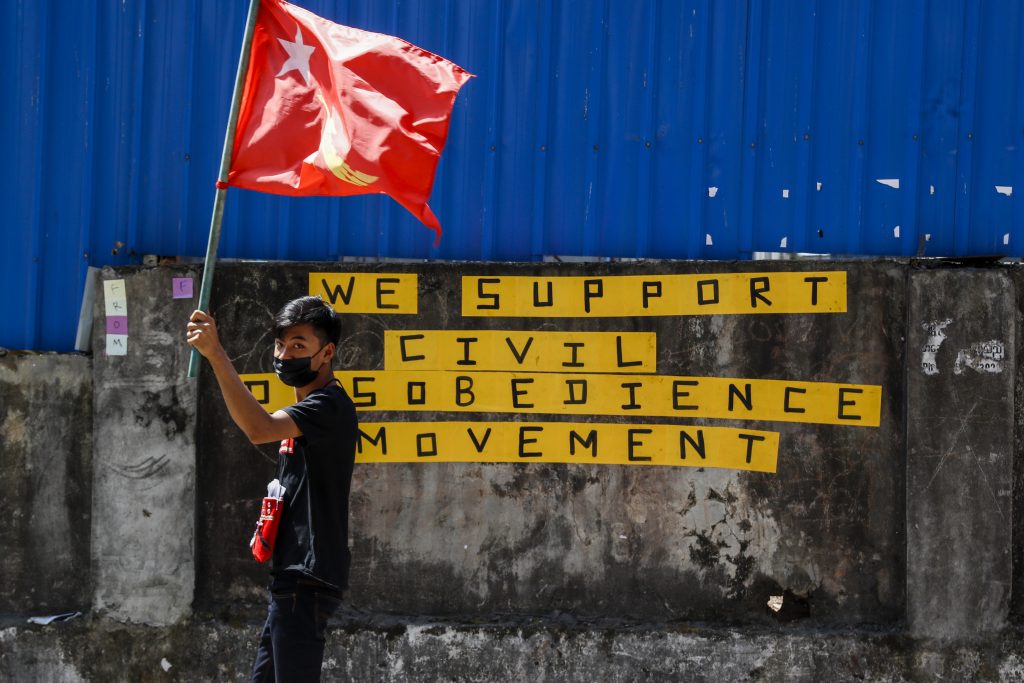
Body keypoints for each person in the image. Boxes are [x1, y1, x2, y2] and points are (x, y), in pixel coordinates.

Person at [187, 296, 358, 682]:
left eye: (299, 345)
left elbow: (258, 428)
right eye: (280, 345)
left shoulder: (328, 406)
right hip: (291, 580)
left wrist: (216, 354)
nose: (284, 354)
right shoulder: (306, 414)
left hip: (306, 580)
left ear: (327, 352)